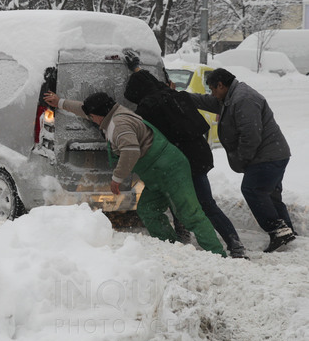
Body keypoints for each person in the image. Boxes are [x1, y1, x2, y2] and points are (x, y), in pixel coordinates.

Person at [43, 90, 226, 256]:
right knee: (148, 209)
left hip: (170, 169)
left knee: (190, 214)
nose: (90, 119)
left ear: (99, 114)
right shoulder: (112, 111)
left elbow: (131, 151)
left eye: (92, 116)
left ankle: (218, 254)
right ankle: (172, 246)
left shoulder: (119, 125)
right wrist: (60, 102)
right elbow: (84, 110)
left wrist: (117, 179)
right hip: (156, 173)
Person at [123, 56, 247, 258]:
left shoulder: (147, 108)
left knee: (202, 203)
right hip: (200, 152)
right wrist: (136, 68)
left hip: (183, 159)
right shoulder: (174, 94)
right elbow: (149, 83)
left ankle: (231, 245)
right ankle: (227, 241)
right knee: (191, 200)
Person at [186, 68, 296, 252]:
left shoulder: (243, 99)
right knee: (270, 194)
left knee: (252, 190)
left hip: (267, 156)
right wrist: (179, 95)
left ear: (221, 85)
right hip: (274, 153)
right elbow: (206, 101)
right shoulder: (229, 97)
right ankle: (287, 232)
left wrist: (242, 160)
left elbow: (251, 135)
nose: (212, 93)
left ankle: (277, 229)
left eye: (213, 89)